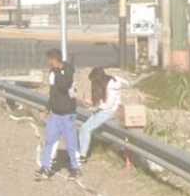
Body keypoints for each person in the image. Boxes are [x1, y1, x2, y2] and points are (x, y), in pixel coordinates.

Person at [35, 49, 81, 181]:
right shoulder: (52, 73)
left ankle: (75, 168)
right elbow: (53, 92)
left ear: (55, 59)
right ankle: (45, 167)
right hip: (55, 113)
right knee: (50, 140)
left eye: (50, 60)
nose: (48, 63)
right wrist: (47, 108)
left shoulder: (68, 70)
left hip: (68, 114)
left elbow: (64, 86)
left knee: (70, 142)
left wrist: (57, 72)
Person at [78, 67, 124, 163]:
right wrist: (94, 105)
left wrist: (95, 106)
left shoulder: (111, 85)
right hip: (105, 111)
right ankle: (82, 153)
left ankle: (82, 155)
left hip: (109, 111)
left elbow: (109, 104)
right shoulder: (108, 83)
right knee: (84, 128)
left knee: (85, 128)